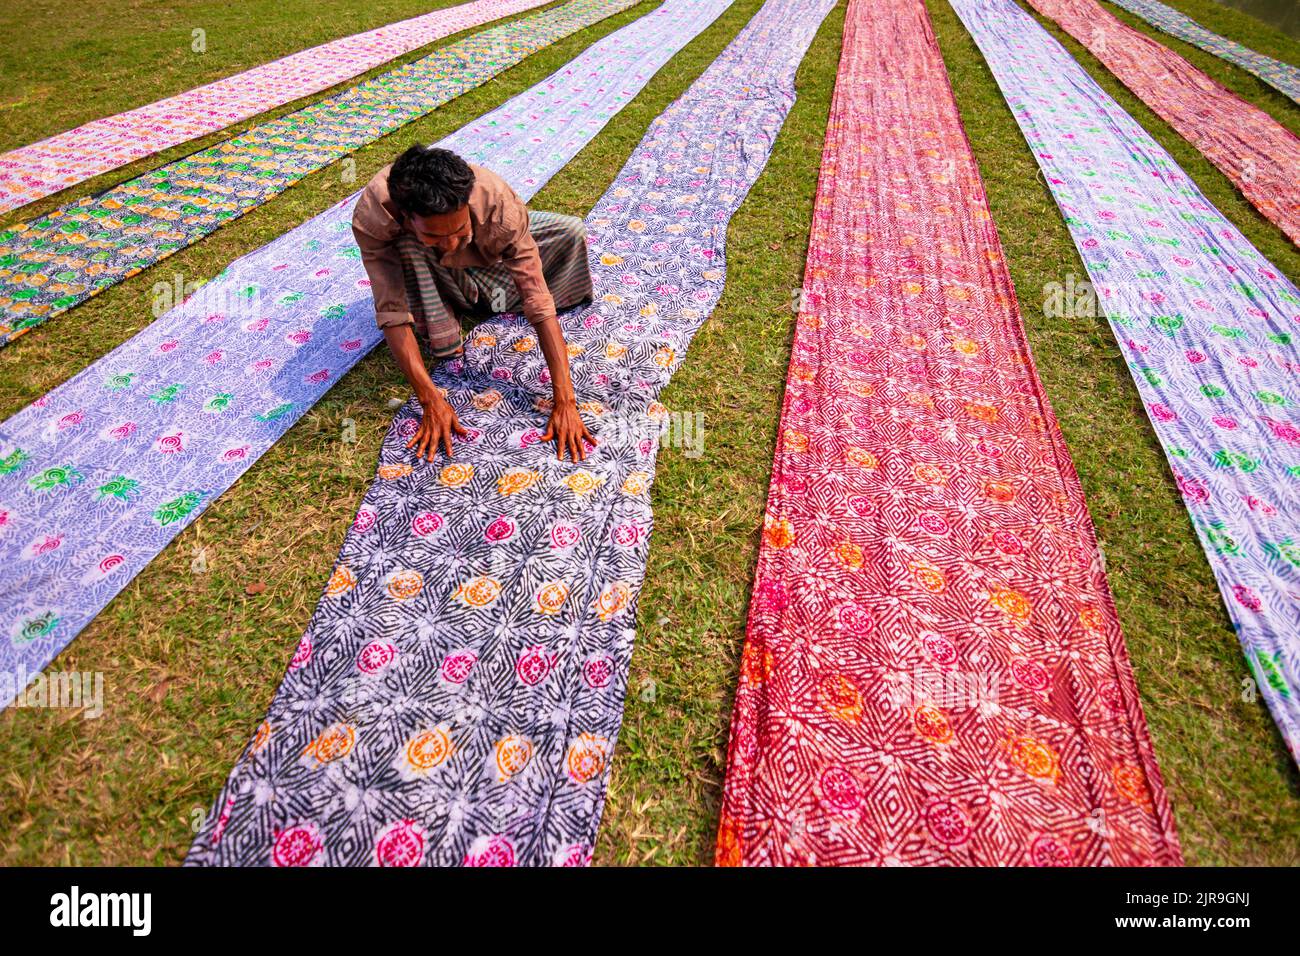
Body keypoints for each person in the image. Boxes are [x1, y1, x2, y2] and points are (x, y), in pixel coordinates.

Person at [351, 145, 597, 462]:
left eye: (458, 229)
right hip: (428, 266)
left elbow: (536, 296)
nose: (450, 243)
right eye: (436, 235)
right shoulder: (374, 217)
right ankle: (446, 313)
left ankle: (474, 293)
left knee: (570, 232)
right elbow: (392, 310)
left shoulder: (500, 206)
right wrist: (430, 400)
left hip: (484, 255)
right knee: (412, 248)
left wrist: (565, 401)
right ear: (409, 217)